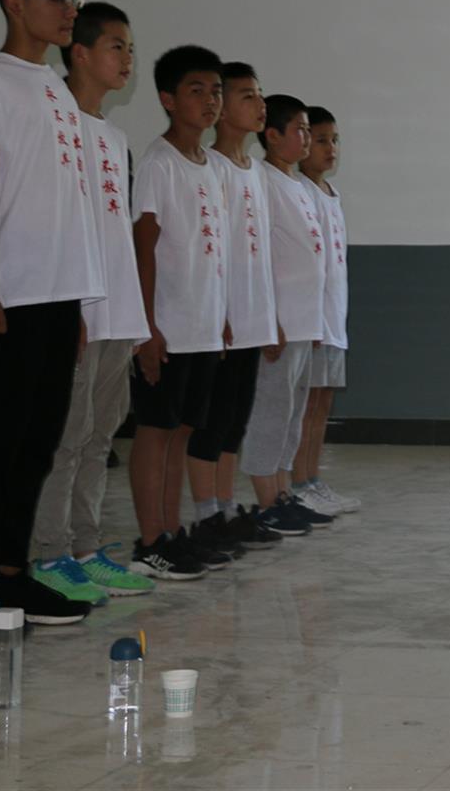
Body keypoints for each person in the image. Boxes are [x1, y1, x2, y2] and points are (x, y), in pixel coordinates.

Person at [0, 0, 101, 624]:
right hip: (7, 296)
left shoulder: (56, 90)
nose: (70, 10)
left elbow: (65, 201)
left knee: (39, 439)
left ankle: (14, 572)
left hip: (56, 293)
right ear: (17, 3)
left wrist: (76, 300)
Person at [29, 2, 155, 603]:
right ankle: (49, 554)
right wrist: (70, 307)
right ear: (78, 51)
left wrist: (133, 319)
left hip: (117, 310)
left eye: (131, 48)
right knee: (66, 435)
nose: (127, 59)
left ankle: (85, 548)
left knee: (100, 434)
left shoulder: (112, 135)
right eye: (116, 46)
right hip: (76, 308)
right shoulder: (56, 124)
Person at [127, 45, 230, 581]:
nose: (210, 101)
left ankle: (171, 532)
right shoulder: (158, 164)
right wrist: (146, 327)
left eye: (216, 91)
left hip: (204, 327)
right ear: (167, 99)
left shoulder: (210, 165)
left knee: (183, 431)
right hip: (166, 326)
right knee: (155, 430)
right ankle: (150, 542)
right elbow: (143, 247)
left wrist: (223, 314)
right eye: (197, 90)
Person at [184, 63, 283, 556]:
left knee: (234, 422)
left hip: (253, 318)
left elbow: (261, 252)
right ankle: (205, 513)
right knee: (212, 421)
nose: (259, 105)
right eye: (247, 96)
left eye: (259, 96)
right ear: (223, 109)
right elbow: (214, 249)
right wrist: (219, 312)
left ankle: (225, 506)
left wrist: (270, 317)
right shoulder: (212, 169)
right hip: (223, 320)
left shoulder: (257, 172)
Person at [248, 94, 327, 535]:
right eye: (297, 129)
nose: (305, 137)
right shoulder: (263, 180)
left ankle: (282, 493)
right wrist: (270, 317)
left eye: (306, 129)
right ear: (272, 135)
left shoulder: (298, 185)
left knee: (293, 414)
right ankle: (265, 501)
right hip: (279, 322)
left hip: (304, 320)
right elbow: (260, 255)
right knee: (272, 413)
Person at [291, 106, 356, 518]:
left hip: (333, 320)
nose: (329, 148)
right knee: (305, 404)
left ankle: (312, 479)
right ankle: (297, 483)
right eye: (320, 140)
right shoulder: (299, 191)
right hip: (310, 321)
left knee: (322, 404)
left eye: (334, 140)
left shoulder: (331, 195)